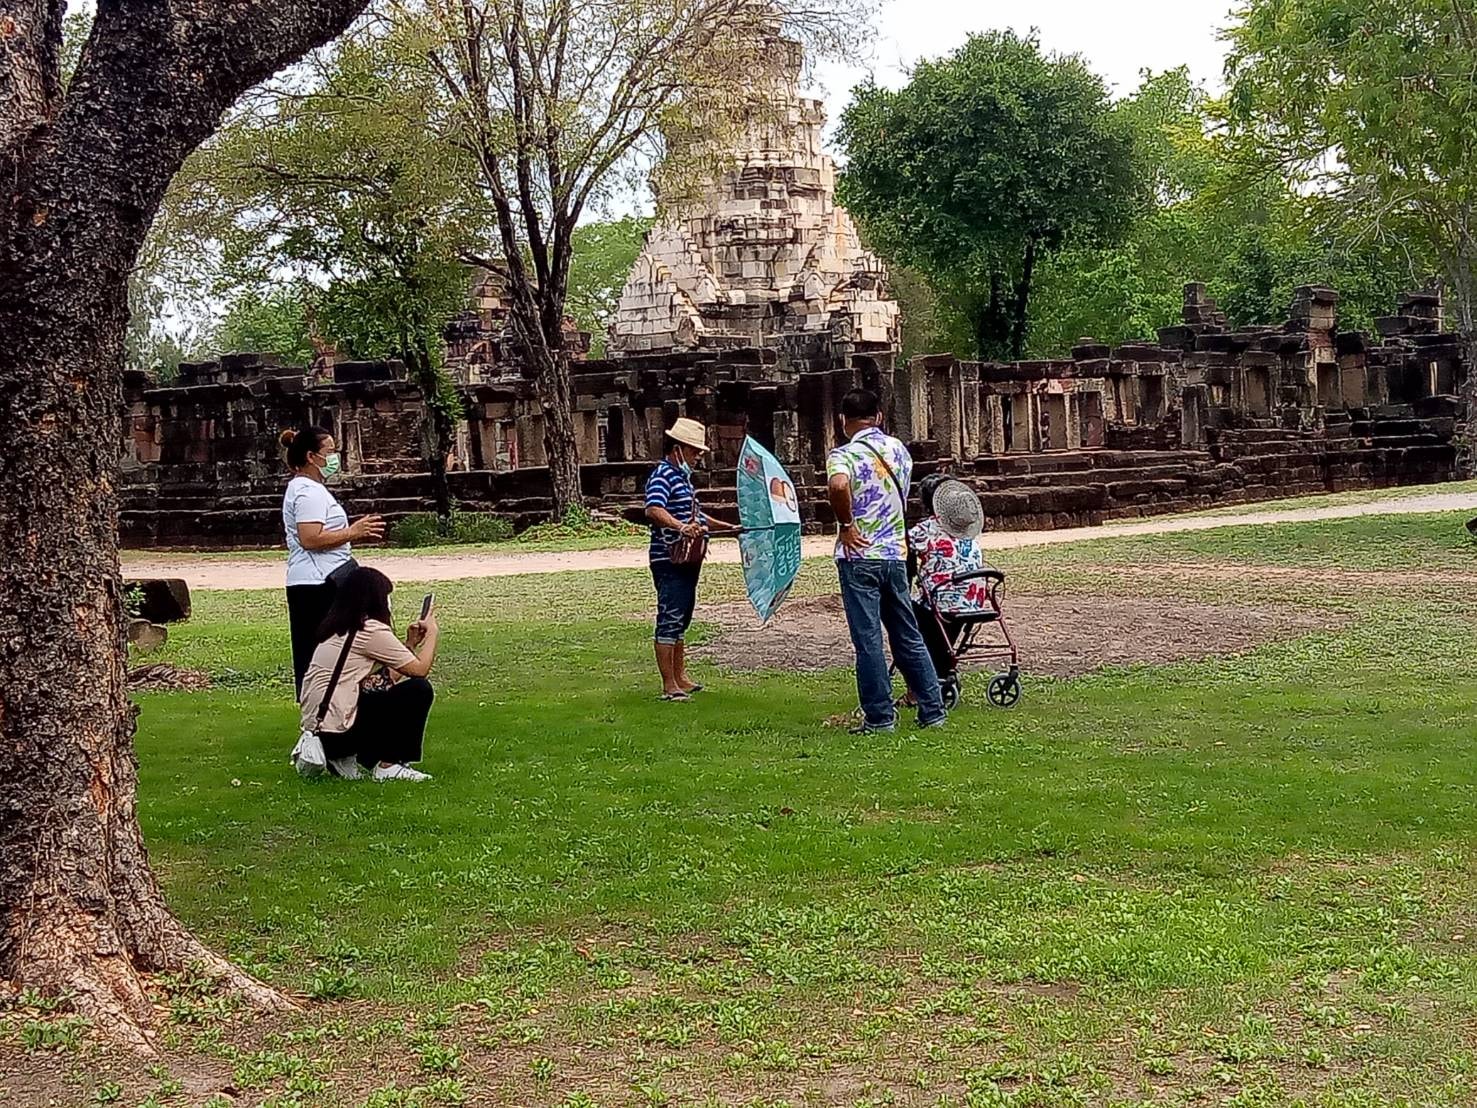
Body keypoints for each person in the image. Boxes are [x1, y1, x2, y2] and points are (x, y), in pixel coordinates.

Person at [826, 388, 947, 733]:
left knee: (868, 640)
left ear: (843, 421)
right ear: (878, 416)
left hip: (859, 554)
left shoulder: (843, 455)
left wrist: (846, 524)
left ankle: (879, 717)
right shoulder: (899, 451)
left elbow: (837, 486)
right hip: (895, 553)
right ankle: (932, 708)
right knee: (907, 633)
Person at [299, 566, 440, 782]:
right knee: (418, 689)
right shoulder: (370, 630)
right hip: (338, 733)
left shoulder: (336, 629)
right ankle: (389, 765)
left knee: (380, 689)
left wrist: (410, 645)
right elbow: (420, 671)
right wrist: (432, 634)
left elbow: (382, 681)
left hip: (320, 731)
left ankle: (343, 756)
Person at [280, 426, 384, 695]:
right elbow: (310, 538)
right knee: (320, 655)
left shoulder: (312, 489)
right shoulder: (307, 492)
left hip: (323, 577)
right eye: (330, 451)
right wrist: (353, 532)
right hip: (318, 583)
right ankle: (320, 716)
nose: (335, 457)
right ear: (312, 456)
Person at [643, 417, 739, 700]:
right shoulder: (663, 475)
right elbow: (653, 509)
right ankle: (668, 684)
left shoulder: (682, 479)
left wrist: (727, 528)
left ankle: (680, 676)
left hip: (688, 559)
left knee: (682, 617)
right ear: (678, 449)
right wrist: (681, 527)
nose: (697, 457)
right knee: (670, 617)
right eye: (694, 451)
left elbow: (696, 516)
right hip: (669, 558)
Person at [908, 475, 990, 687]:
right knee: (940, 625)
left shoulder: (924, 530)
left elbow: (906, 564)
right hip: (974, 599)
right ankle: (944, 668)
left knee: (906, 614)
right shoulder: (968, 529)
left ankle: (927, 679)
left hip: (942, 600)